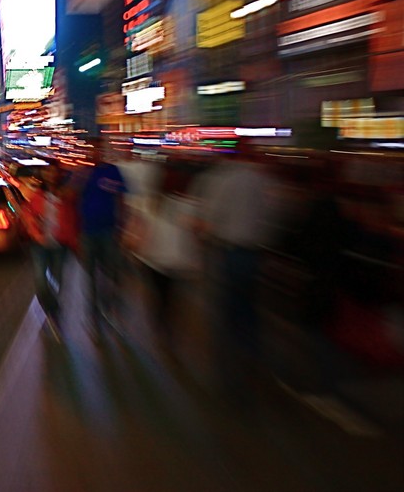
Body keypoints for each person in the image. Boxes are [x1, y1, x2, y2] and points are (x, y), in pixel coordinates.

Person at [194, 138, 282, 403]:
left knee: (226, 309)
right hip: (253, 251)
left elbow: (211, 216)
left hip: (228, 250)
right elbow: (273, 215)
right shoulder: (264, 180)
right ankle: (252, 358)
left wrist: (203, 238)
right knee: (249, 309)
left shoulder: (225, 179)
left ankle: (227, 373)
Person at [134, 160, 201, 348]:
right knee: (171, 297)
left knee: (158, 295)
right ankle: (168, 327)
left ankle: (160, 326)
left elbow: (141, 230)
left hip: (153, 257)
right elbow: (195, 232)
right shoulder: (188, 204)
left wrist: (135, 248)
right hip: (177, 260)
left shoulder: (149, 203)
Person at [78, 137, 129, 331]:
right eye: (92, 150)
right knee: (90, 275)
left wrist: (123, 228)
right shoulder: (82, 174)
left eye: (98, 149)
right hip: (87, 231)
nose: (95, 153)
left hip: (109, 230)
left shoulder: (113, 171)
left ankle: (110, 306)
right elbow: (71, 200)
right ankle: (93, 313)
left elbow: (122, 198)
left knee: (111, 272)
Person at [26, 170, 78, 326]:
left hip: (59, 245)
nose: (50, 178)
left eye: (53, 175)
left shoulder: (66, 199)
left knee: (57, 279)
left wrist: (74, 243)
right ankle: (49, 307)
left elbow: (73, 221)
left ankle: (54, 310)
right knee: (41, 280)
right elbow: (28, 217)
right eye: (48, 175)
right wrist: (36, 233)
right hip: (39, 245)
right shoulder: (37, 197)